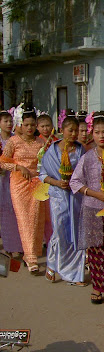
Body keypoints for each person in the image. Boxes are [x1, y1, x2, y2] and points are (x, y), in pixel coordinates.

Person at [69, 111, 104, 304]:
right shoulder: (87, 158)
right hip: (92, 208)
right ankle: (97, 287)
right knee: (95, 250)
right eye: (97, 132)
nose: (101, 136)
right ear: (92, 134)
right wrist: (96, 194)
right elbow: (75, 182)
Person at [40, 109, 87, 284]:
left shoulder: (80, 150)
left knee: (76, 233)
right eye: (70, 130)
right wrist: (57, 182)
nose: (74, 134)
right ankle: (54, 264)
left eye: (76, 131)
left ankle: (73, 274)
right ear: (62, 130)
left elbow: (86, 172)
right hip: (58, 197)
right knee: (60, 232)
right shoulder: (52, 151)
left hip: (76, 198)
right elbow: (42, 174)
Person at [0, 105, 46, 273]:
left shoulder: (41, 142)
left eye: (32, 125)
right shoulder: (13, 142)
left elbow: (46, 162)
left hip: (36, 183)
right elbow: (3, 162)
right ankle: (31, 258)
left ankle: (30, 254)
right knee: (24, 219)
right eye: (26, 125)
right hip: (18, 184)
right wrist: (19, 167)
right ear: (20, 124)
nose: (29, 128)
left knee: (34, 219)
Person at [0, 109, 23, 258]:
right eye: (5, 121)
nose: (9, 124)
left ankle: (17, 246)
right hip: (1, 179)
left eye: (10, 121)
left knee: (14, 211)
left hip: (14, 177)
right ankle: (7, 246)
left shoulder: (16, 139)